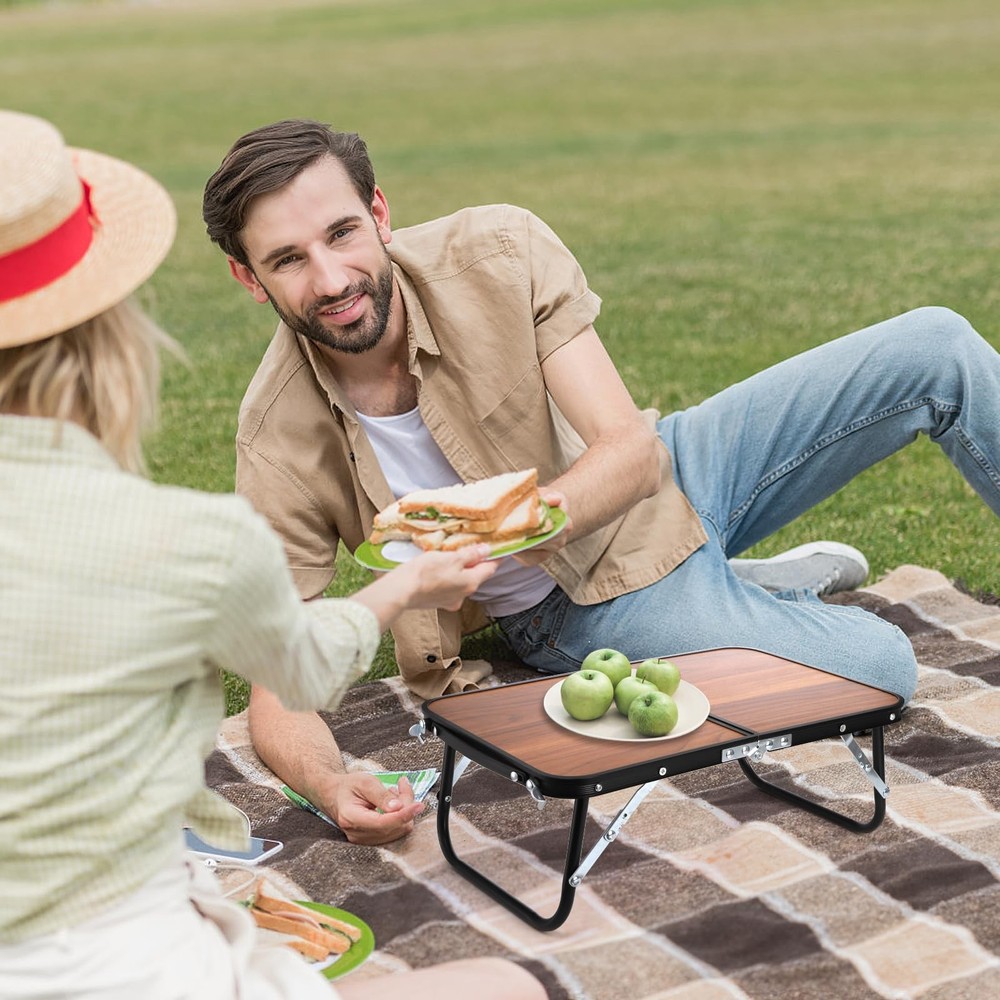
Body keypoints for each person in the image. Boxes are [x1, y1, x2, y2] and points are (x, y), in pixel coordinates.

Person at [201, 118, 1000, 844]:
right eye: (290, 260)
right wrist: (330, 781)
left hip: (666, 469)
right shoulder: (277, 435)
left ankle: (738, 595)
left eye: (342, 233)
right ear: (249, 278)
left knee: (936, 345)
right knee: (883, 667)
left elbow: (629, 449)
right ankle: (746, 600)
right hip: (580, 602)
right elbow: (277, 670)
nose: (333, 278)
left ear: (378, 213)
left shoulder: (499, 252)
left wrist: (510, 520)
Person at [0, 110, 546, 1000]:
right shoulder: (184, 541)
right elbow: (303, 658)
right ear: (107, 338)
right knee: (506, 989)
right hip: (134, 970)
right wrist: (409, 584)